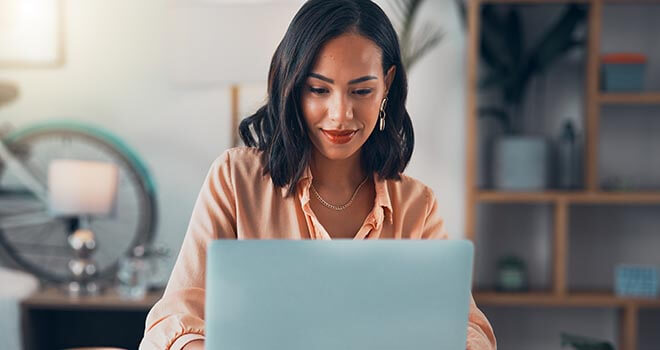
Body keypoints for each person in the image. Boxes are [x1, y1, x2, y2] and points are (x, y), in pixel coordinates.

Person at [140, 0, 496, 349]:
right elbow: (174, 317)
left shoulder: (416, 205)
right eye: (319, 90)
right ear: (293, 87)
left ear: (386, 85)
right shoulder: (235, 179)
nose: (340, 114)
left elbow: (465, 325)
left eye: (361, 91)